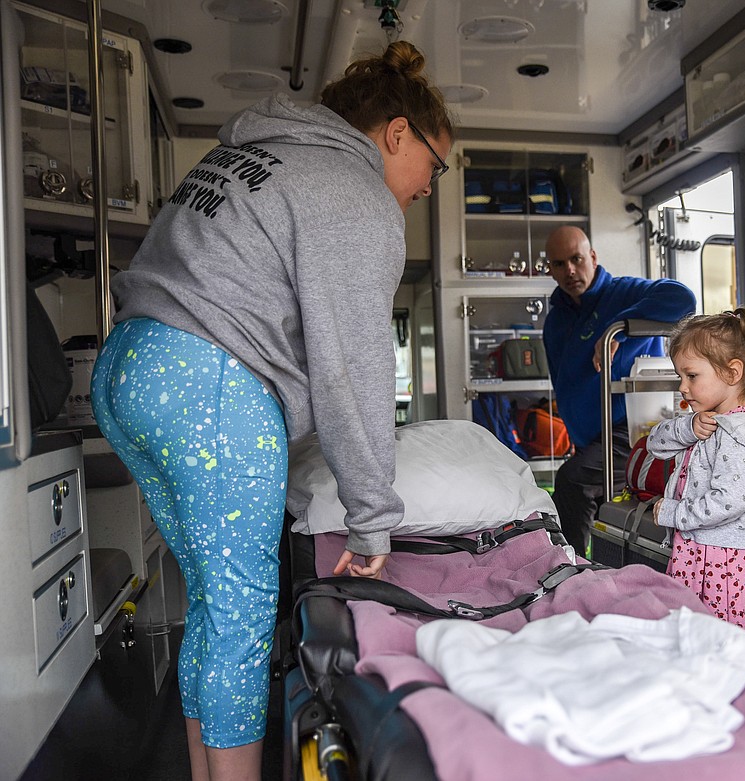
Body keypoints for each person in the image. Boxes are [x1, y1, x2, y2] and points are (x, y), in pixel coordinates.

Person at [89, 41, 453, 781]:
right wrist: (371, 517)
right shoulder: (356, 195)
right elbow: (351, 369)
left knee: (217, 614)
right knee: (242, 624)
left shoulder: (261, 159)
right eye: (434, 167)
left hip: (126, 370)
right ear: (396, 133)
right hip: (207, 387)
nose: (426, 186)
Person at [542, 226, 695, 557]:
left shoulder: (624, 293)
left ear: (593, 258)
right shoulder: (555, 321)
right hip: (591, 440)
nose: (569, 270)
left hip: (633, 431)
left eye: (576, 259)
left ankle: (572, 569)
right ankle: (585, 569)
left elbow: (683, 299)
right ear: (550, 269)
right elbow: (563, 384)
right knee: (573, 501)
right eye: (559, 264)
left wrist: (619, 329)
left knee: (572, 482)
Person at [648, 309, 745, 633]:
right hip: (696, 549)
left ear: (732, 373)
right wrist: (688, 428)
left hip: (725, 560)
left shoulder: (739, 435)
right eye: (679, 377)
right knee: (688, 634)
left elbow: (729, 502)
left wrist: (673, 513)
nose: (683, 387)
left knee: (723, 641)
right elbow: (655, 445)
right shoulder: (706, 422)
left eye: (692, 376)